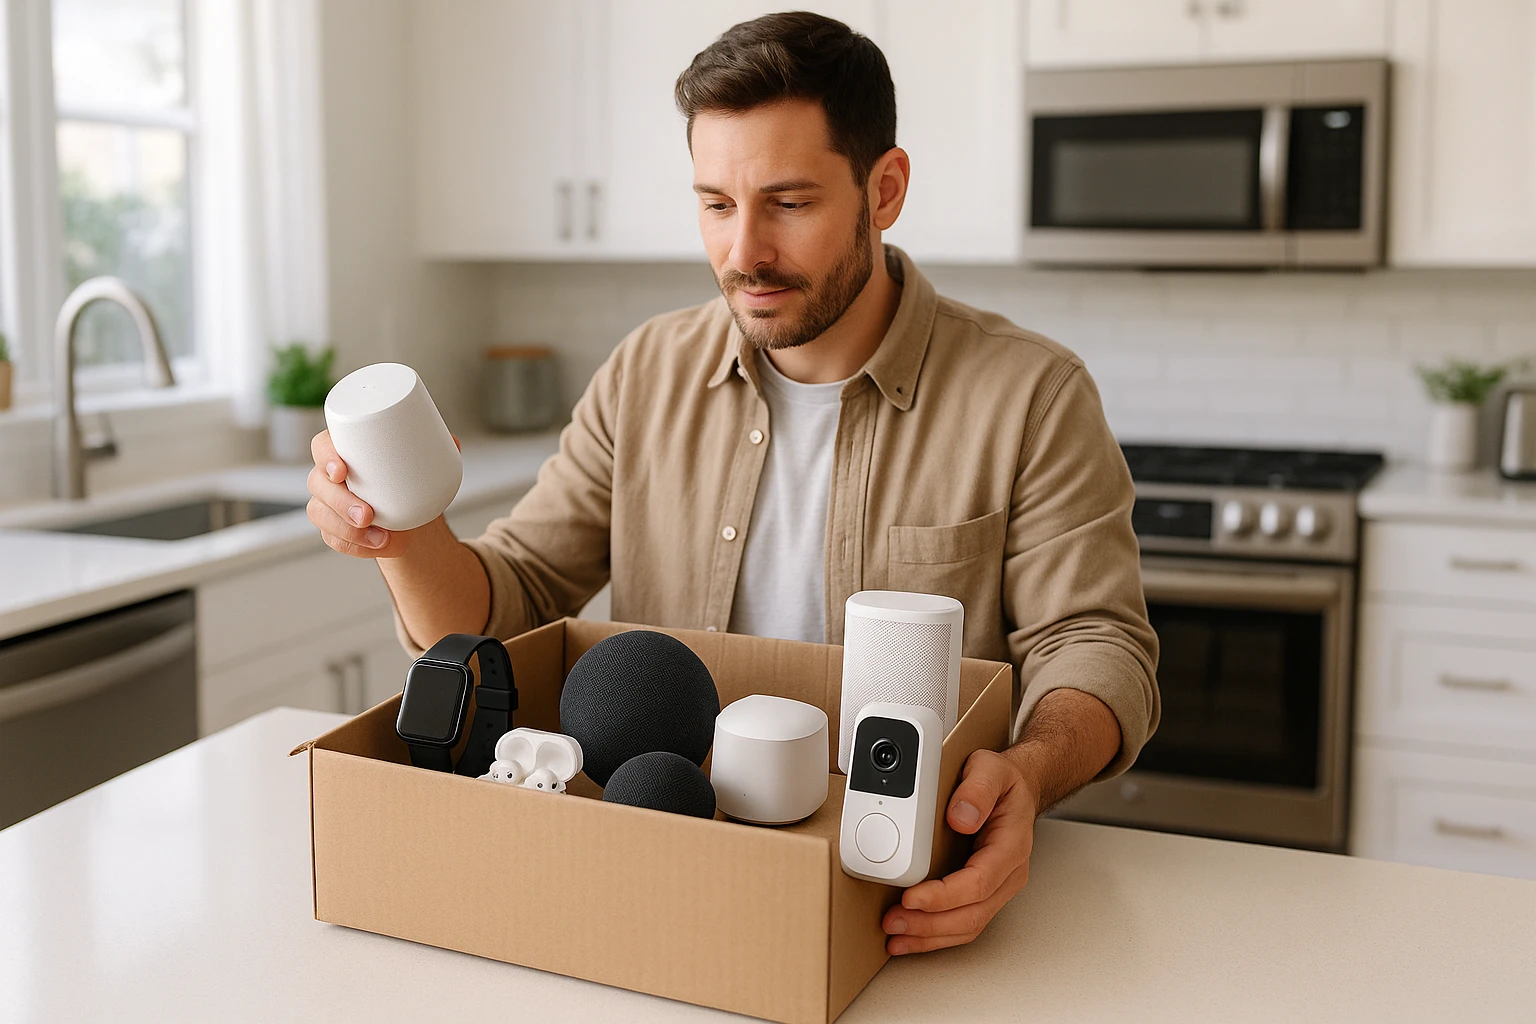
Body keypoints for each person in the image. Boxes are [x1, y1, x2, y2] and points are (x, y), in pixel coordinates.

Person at [306, 11, 1158, 956]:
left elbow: (1096, 647)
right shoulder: (646, 373)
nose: (743, 252)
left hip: (904, 891)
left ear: (885, 189)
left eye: (788, 203)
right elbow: (508, 605)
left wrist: (1029, 776)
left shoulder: (1031, 395)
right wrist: (399, 533)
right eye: (715, 204)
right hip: (666, 873)